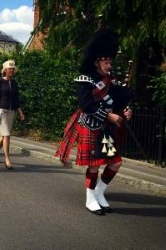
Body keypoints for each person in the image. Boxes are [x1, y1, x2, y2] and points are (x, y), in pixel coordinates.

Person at [55, 28, 134, 215]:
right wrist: (108, 116)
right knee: (94, 164)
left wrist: (124, 112)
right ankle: (90, 198)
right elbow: (86, 105)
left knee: (115, 162)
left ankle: (99, 192)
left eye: (110, 61)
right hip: (89, 126)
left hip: (105, 129)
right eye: (106, 61)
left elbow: (115, 102)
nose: (109, 64)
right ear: (96, 62)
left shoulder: (110, 80)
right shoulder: (84, 80)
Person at [0, 60, 25, 170]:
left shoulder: (14, 83)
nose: (12, 70)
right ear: (5, 70)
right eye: (10, 68)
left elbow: (16, 99)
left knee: (5, 135)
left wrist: (20, 112)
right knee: (7, 136)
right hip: (2, 111)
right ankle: (7, 159)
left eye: (13, 69)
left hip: (12, 111)